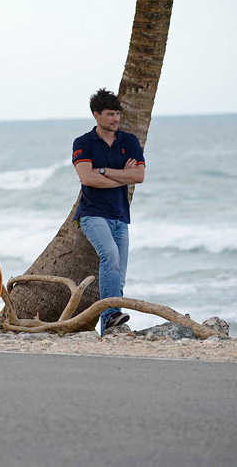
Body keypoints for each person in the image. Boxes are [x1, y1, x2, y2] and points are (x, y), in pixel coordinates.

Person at [72, 88, 146, 333]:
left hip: (120, 216)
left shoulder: (129, 142)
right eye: (110, 114)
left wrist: (103, 171)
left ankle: (109, 329)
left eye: (118, 114)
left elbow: (139, 176)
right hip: (92, 214)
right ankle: (113, 313)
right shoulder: (83, 143)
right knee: (110, 257)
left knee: (119, 274)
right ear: (96, 115)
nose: (116, 118)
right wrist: (122, 176)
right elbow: (87, 178)